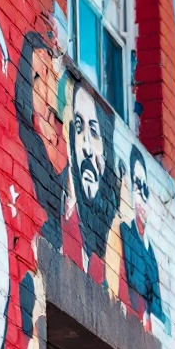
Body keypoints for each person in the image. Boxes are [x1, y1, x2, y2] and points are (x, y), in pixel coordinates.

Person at [15, 31, 70, 250]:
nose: (44, 86)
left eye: (47, 73)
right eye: (36, 77)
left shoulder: (65, 134)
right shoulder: (26, 136)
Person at [70, 82, 119, 262]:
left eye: (93, 131)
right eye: (78, 128)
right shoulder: (66, 225)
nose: (88, 148)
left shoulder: (117, 241)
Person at [119, 145, 165, 322]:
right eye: (138, 188)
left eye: (145, 190)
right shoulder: (126, 234)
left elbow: (158, 311)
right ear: (131, 192)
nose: (142, 198)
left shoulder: (152, 253)